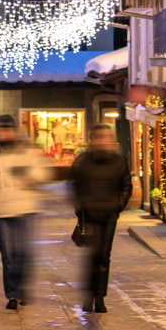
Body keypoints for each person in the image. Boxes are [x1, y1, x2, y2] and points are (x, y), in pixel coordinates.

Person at [0, 114, 51, 310]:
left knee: (24, 253)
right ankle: (12, 294)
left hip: (26, 210)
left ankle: (23, 288)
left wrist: (27, 173)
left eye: (8, 129)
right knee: (9, 255)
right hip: (3, 213)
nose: (4, 133)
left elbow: (43, 175)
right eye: (1, 130)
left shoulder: (28, 153)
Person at [69, 123, 131, 313]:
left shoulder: (119, 161)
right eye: (100, 137)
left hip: (109, 214)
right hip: (89, 215)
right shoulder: (82, 161)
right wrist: (80, 209)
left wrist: (119, 205)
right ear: (93, 140)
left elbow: (126, 185)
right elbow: (74, 186)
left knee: (104, 256)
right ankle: (89, 295)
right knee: (92, 257)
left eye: (107, 137)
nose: (104, 141)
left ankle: (100, 297)